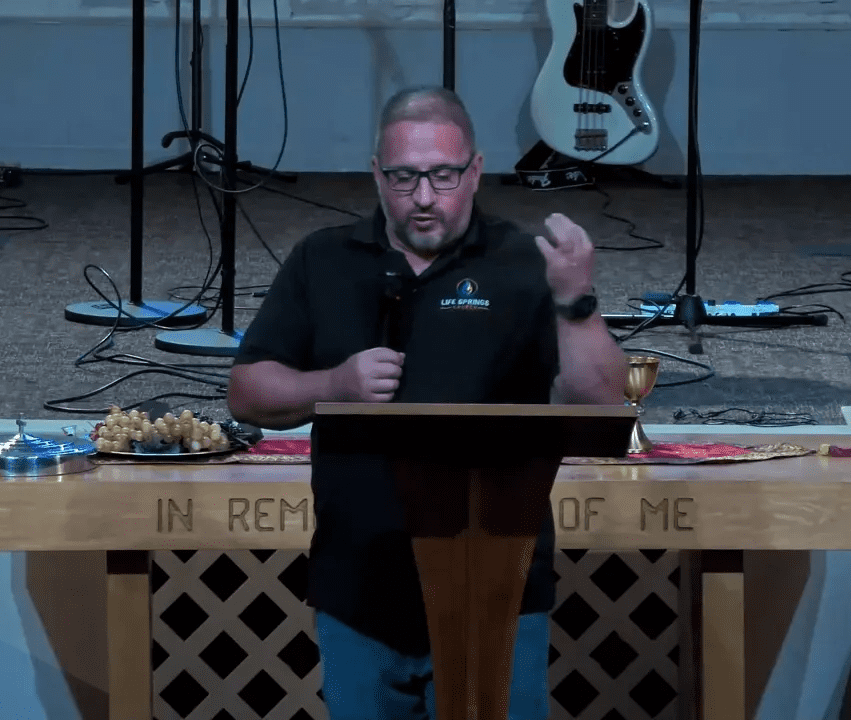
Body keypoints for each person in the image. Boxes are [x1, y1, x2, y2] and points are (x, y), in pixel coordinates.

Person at [226, 85, 627, 720]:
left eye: (442, 176)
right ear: (376, 173)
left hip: (497, 585)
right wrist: (332, 386)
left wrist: (576, 300)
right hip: (360, 587)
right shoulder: (323, 259)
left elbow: (603, 408)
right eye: (404, 177)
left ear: (475, 171)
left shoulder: (524, 261)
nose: (421, 198)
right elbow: (247, 390)